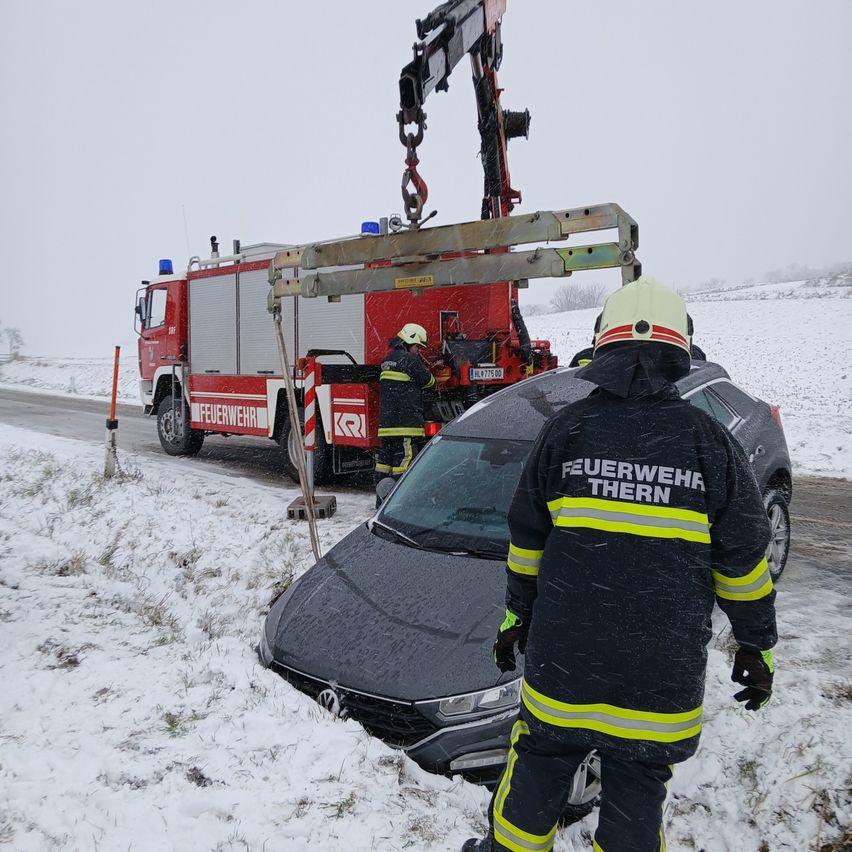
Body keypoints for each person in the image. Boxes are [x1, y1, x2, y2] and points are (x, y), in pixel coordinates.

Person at [463, 277, 776, 852]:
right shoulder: (709, 443)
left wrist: (518, 618)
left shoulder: (567, 431)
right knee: (637, 787)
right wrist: (757, 647)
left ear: (600, 348)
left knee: (537, 768)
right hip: (657, 678)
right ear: (682, 350)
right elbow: (744, 564)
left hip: (565, 663)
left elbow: (526, 542)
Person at [374, 323, 436, 490]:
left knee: (384, 463)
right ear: (409, 342)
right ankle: (398, 500)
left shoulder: (387, 360)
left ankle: (381, 501)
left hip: (387, 425)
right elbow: (429, 381)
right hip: (404, 424)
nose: (419, 350)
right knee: (404, 463)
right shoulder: (410, 360)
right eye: (417, 346)